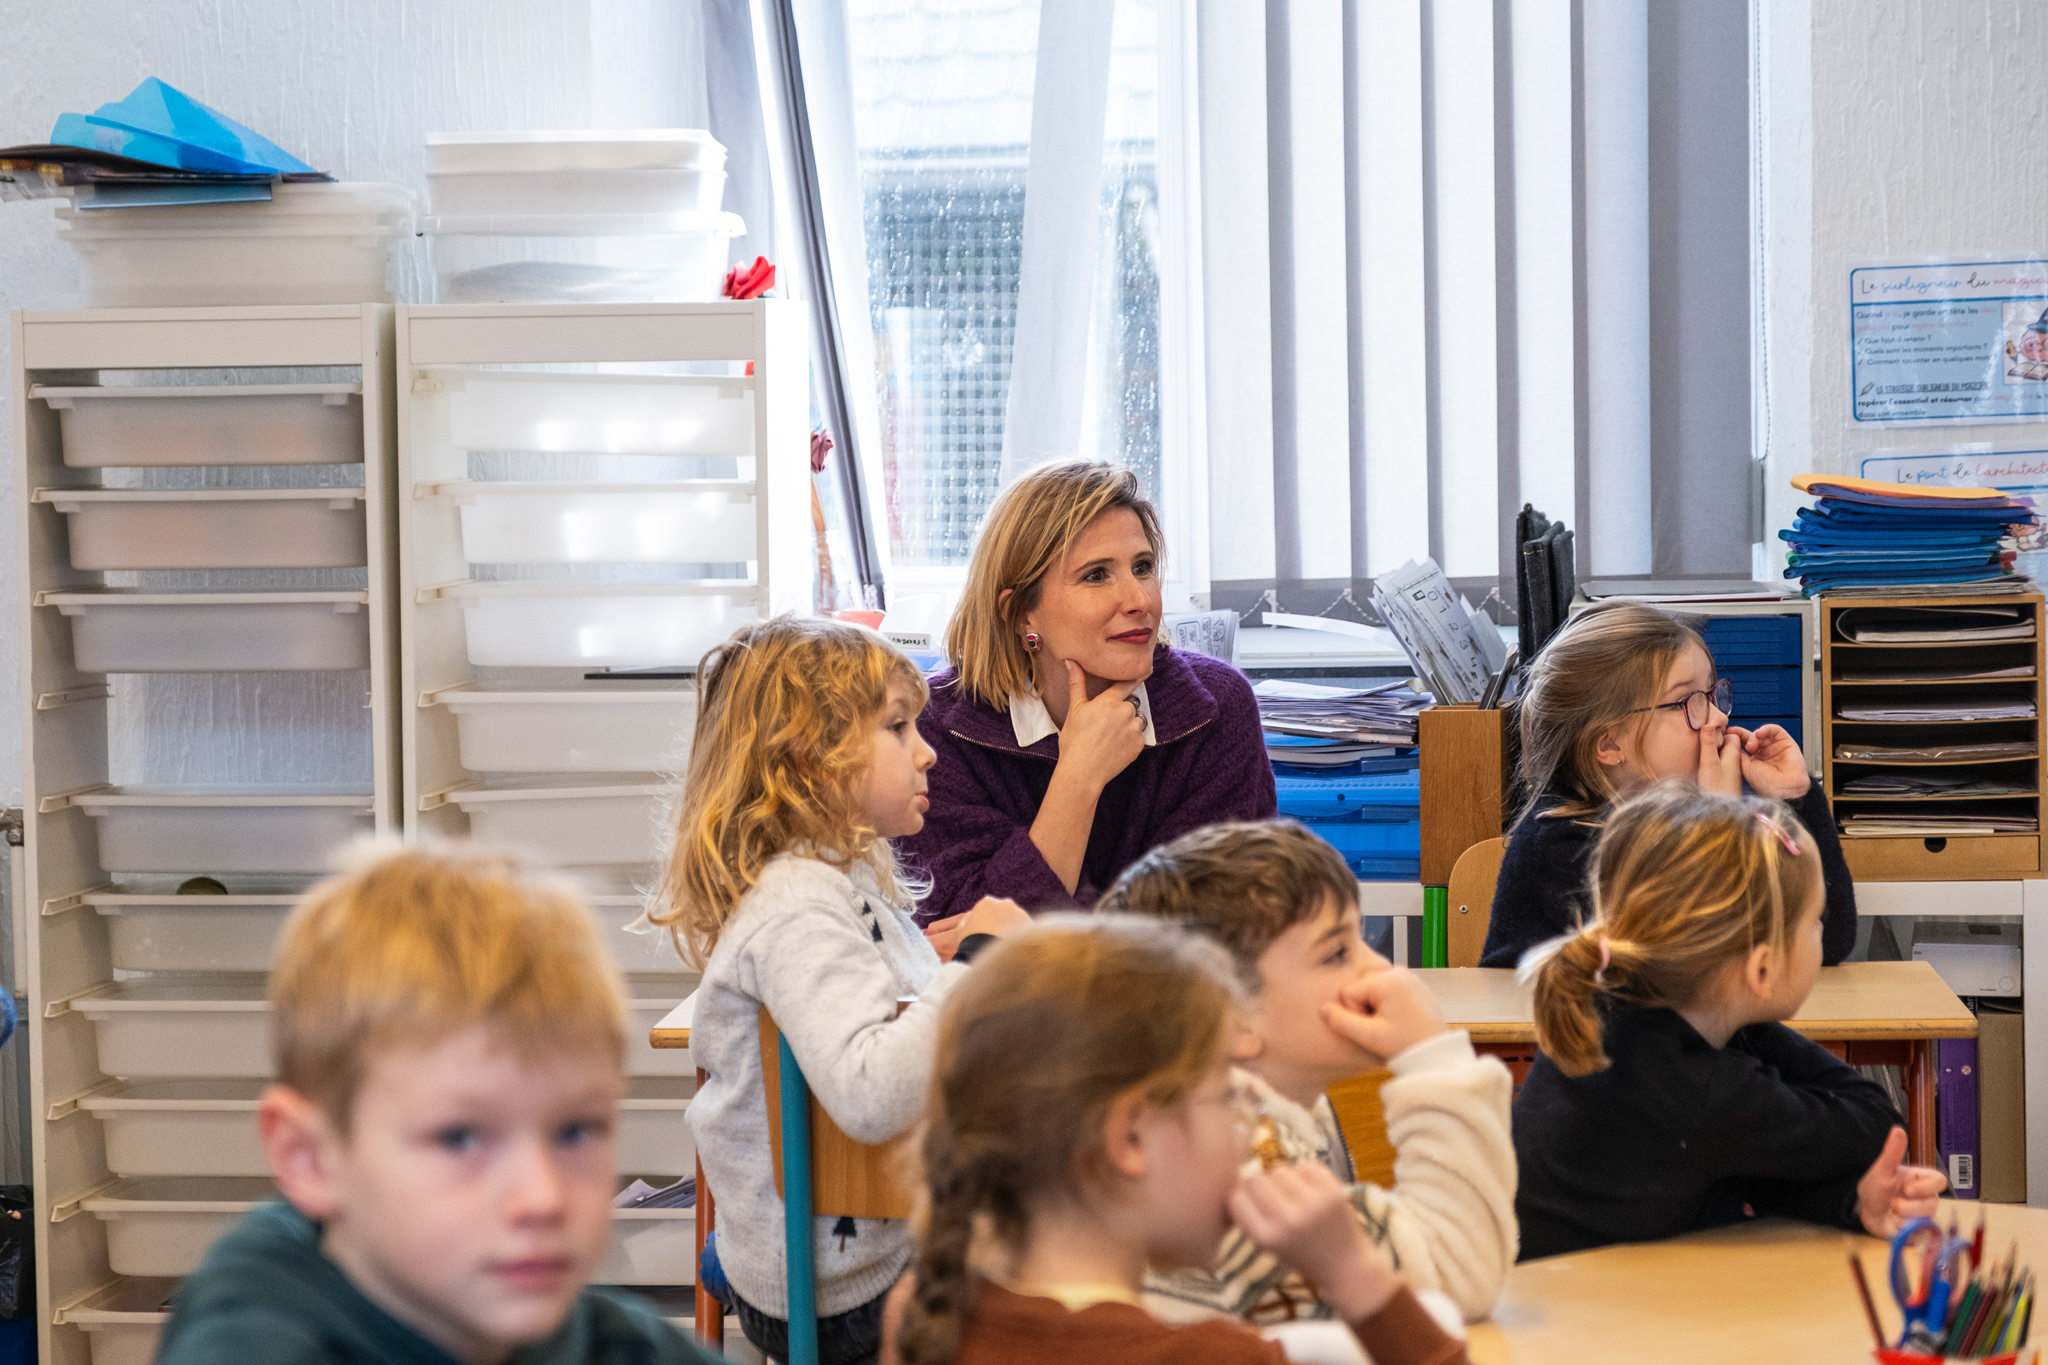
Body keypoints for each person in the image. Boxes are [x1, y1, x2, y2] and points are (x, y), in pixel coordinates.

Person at [156, 843, 720, 1365]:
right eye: (459, 1137)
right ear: (310, 1158)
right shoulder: (250, 1343)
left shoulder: (623, 1346)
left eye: (575, 1130)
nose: (542, 1198)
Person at [652, 616, 1030, 1365]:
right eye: (897, 727)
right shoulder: (797, 903)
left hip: (847, 1256)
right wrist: (977, 961)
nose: (927, 750)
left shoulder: (833, 878)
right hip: (841, 1292)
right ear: (809, 756)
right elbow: (869, 1091)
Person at [886, 917, 1472, 1365]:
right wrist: (1355, 1274)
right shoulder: (1212, 1357)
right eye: (1228, 1100)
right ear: (1132, 1137)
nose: (1246, 1135)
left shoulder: (920, 1316)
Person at [1098, 821, 1515, 1325]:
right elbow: (1459, 1277)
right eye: (1337, 954)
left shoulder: (1265, 1116)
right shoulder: (1241, 1165)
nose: (1384, 971)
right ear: (1231, 1019)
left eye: (1362, 941)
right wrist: (1432, 1060)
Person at [1512, 783, 1945, 1261]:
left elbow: (1736, 1170)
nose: (1823, 931)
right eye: (1814, 921)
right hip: (1578, 1303)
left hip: (1572, 1288)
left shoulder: (1613, 1008)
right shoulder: (1704, 1089)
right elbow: (1875, 1123)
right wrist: (1754, 1022)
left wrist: (1852, 1203)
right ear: (1761, 970)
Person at [898, 460, 1276, 943]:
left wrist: (1031, 933)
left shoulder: (1216, 707)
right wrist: (1079, 778)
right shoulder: (933, 728)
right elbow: (958, 950)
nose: (1140, 599)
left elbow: (1212, 939)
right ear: (1019, 613)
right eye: (1097, 575)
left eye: (1143, 567)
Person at [1480, 600, 1857, 969]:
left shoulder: (1688, 815)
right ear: (1610, 744)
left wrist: (1791, 796)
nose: (1717, 719)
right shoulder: (1559, 845)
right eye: (1687, 702)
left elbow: (1825, 938)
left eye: (1711, 694)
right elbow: (1690, 968)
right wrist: (1717, 824)